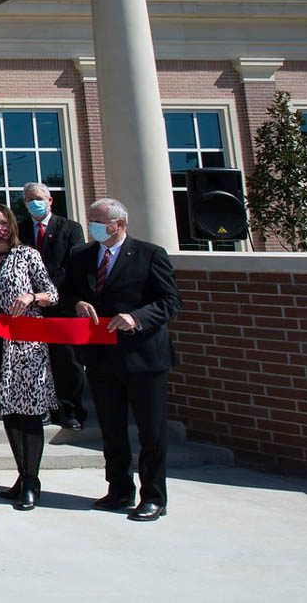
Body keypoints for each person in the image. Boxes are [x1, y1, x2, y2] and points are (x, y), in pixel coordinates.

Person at [64, 198, 181, 522]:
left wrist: (137, 318)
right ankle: (119, 490)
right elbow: (67, 291)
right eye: (91, 220)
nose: (93, 226)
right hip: (101, 358)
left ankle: (153, 496)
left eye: (99, 221)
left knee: (150, 432)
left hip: (144, 358)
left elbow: (170, 301)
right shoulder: (81, 256)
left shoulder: (149, 254)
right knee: (112, 430)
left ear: (119, 224)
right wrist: (77, 304)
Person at [0, 203, 59, 510]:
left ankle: (32, 480)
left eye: (3, 223)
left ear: (12, 226)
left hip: (26, 347)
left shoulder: (27, 255)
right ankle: (22, 473)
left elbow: (52, 294)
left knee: (28, 413)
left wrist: (31, 296)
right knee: (10, 414)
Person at [18, 181, 90, 429]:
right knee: (35, 360)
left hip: (64, 305)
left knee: (67, 361)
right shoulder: (20, 230)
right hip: (31, 307)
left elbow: (76, 265)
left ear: (50, 201)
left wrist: (58, 295)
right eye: (29, 200)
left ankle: (70, 410)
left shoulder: (70, 228)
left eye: (38, 198)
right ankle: (43, 407)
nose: (34, 203)